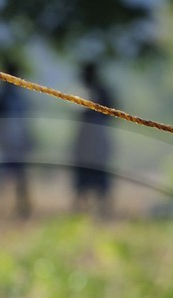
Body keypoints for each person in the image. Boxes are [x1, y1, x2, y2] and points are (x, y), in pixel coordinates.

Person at [72, 61, 116, 217]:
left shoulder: (102, 92)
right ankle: (80, 210)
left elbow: (112, 115)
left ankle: (103, 209)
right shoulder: (80, 92)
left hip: (98, 138)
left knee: (99, 172)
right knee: (83, 174)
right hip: (84, 140)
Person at [0, 59, 33, 219]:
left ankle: (23, 210)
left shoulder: (19, 95)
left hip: (18, 141)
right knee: (1, 176)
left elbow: (24, 121)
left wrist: (27, 138)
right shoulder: (1, 96)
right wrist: (0, 140)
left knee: (21, 177)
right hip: (5, 142)